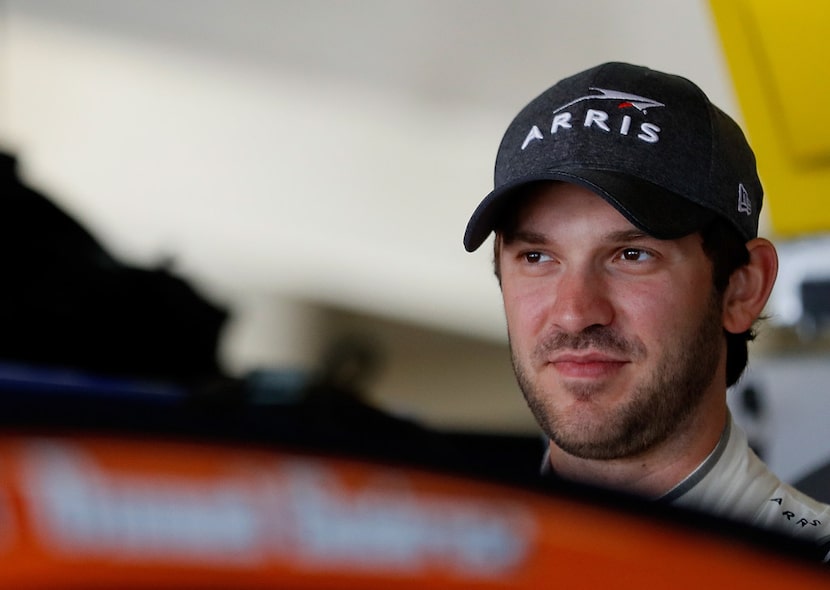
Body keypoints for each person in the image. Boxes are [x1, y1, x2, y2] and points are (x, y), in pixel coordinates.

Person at [462, 62, 830, 559]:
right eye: (537, 257)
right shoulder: (421, 557)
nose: (574, 313)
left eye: (631, 256)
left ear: (743, 288)